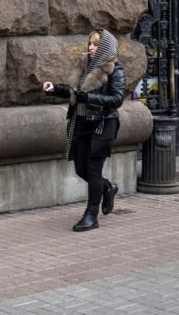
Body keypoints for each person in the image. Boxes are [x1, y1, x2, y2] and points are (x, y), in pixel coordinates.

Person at [42, 29, 124, 232]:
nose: (91, 47)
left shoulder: (114, 69)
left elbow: (117, 99)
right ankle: (107, 187)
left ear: (105, 47)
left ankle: (91, 215)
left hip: (102, 124)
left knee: (93, 168)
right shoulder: (84, 64)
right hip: (81, 123)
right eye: (90, 43)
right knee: (81, 168)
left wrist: (89, 98)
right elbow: (75, 93)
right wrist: (55, 89)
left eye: (96, 44)